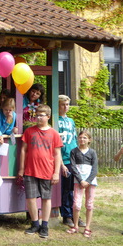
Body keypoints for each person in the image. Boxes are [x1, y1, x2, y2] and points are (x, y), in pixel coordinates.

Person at [18, 104, 63, 239]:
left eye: (41, 115)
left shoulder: (54, 133)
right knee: (30, 198)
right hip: (30, 170)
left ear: (48, 117)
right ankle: (34, 223)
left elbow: (57, 154)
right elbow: (23, 150)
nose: (38, 117)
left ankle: (44, 225)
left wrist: (56, 172)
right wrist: (21, 169)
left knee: (46, 198)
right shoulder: (29, 131)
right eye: (37, 115)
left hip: (47, 171)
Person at [58, 95, 84, 228]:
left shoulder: (71, 121)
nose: (65, 107)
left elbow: (74, 138)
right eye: (63, 104)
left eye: (67, 104)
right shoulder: (55, 121)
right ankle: (66, 214)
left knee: (75, 188)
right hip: (63, 158)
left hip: (74, 157)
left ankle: (76, 214)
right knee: (66, 188)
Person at [67, 130, 98, 238]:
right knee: (76, 204)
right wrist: (80, 180)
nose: (82, 139)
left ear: (89, 140)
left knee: (89, 204)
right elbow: (73, 167)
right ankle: (75, 226)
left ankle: (87, 227)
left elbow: (95, 169)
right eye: (80, 137)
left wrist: (88, 181)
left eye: (85, 137)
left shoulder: (92, 152)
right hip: (78, 181)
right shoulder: (74, 152)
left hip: (91, 182)